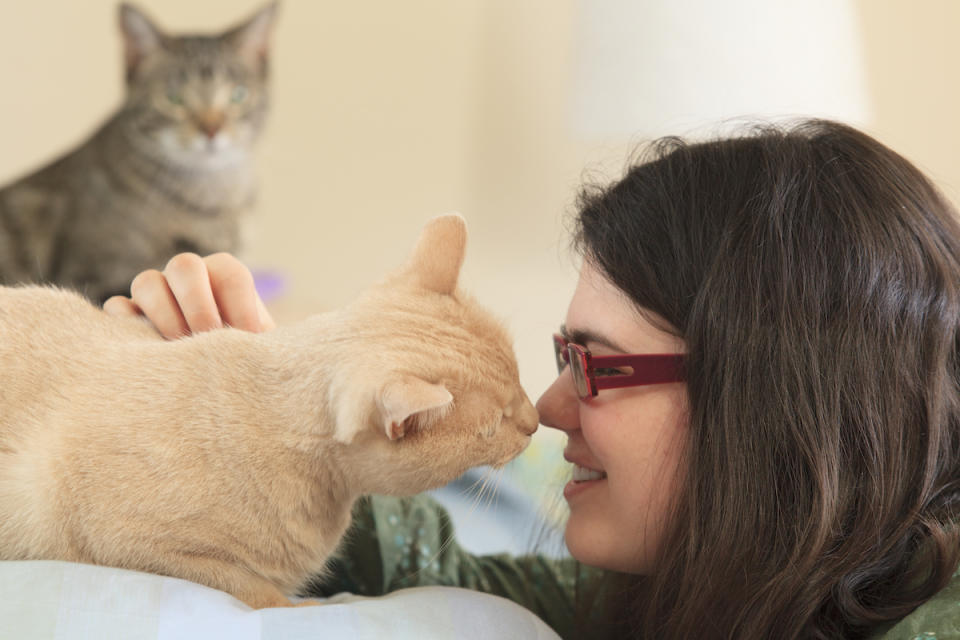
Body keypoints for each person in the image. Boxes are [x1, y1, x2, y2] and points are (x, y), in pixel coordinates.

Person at [104, 119, 960, 639]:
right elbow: (438, 572)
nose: (550, 408)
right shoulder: (700, 588)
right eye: (562, 356)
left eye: (594, 363)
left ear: (769, 392)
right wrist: (277, 407)